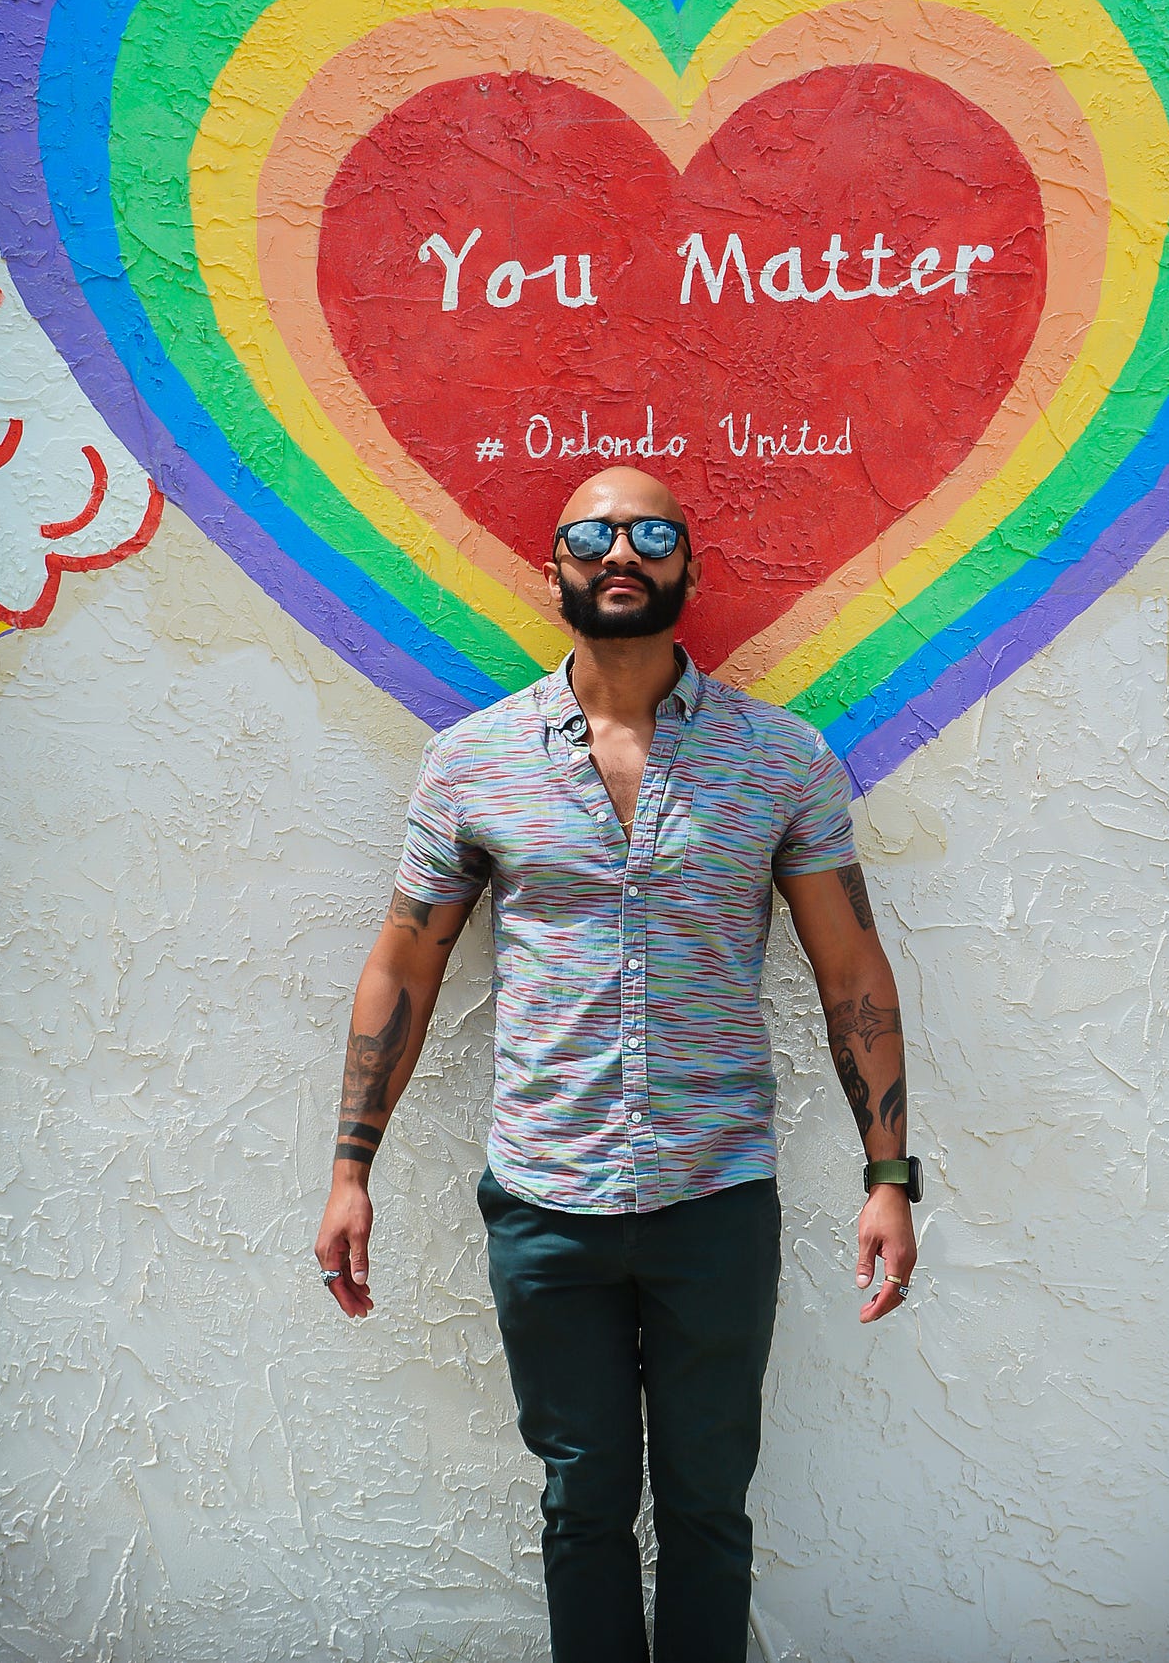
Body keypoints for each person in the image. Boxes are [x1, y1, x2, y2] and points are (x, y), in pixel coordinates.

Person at [313, 467, 919, 1663]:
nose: (620, 553)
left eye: (652, 533)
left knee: (707, 1509)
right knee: (579, 1508)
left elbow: (851, 972)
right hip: (546, 1201)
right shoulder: (472, 761)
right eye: (591, 535)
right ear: (555, 571)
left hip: (714, 1196)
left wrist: (891, 1175)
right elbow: (404, 969)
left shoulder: (781, 761)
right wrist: (348, 1169)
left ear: (690, 567)